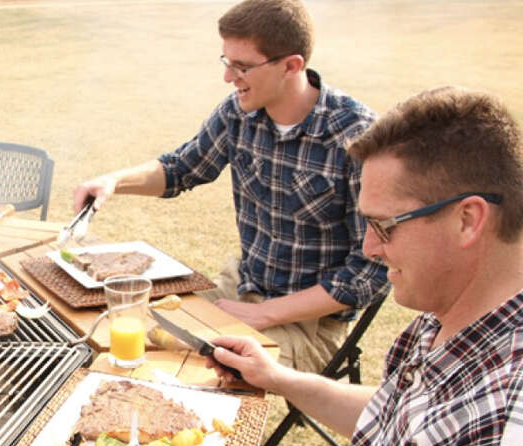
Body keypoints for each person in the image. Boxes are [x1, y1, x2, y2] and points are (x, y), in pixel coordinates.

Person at [140, 86, 523, 446]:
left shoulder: (506, 425)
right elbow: (401, 417)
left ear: (467, 219)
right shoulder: (459, 310)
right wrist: (280, 379)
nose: (368, 248)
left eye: (383, 227)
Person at [72, 0, 388, 373]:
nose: (228, 78)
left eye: (243, 67)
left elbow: (370, 274)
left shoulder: (357, 137)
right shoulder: (239, 112)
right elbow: (182, 168)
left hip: (311, 322)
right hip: (239, 286)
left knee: (188, 366)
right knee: (125, 327)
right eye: (226, 62)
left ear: (292, 65)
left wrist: (266, 314)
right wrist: (113, 182)